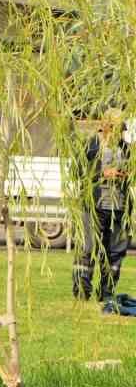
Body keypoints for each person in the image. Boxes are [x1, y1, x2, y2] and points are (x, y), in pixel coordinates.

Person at [73, 110, 129, 303]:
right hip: (93, 207)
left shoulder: (127, 149)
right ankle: (82, 291)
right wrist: (102, 173)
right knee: (88, 249)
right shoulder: (91, 146)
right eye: (115, 127)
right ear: (105, 126)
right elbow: (78, 172)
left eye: (121, 128)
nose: (118, 132)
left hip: (119, 209)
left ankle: (106, 293)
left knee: (115, 253)